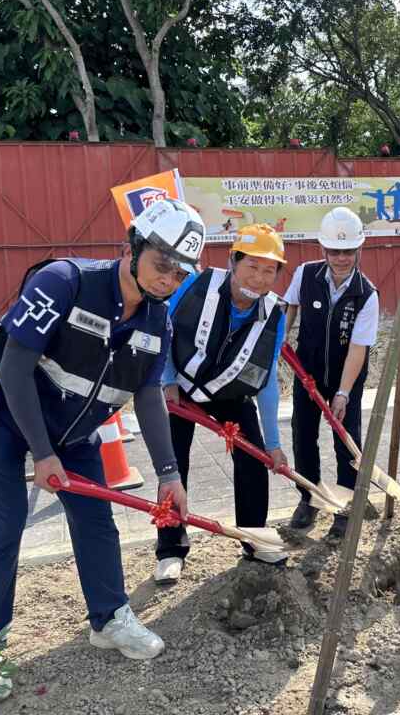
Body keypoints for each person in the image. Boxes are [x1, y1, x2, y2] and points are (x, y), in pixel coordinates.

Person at [0, 199, 204, 691]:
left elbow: (149, 394)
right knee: (2, 527)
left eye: (179, 276)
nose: (167, 281)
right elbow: (13, 368)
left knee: (95, 522)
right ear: (132, 248)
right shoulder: (64, 282)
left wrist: (169, 472)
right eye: (162, 265)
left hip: (73, 425)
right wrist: (41, 453)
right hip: (0, 408)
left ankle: (110, 619)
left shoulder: (158, 322)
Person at [156, 223, 289, 583]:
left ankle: (254, 537)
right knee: (171, 464)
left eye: (269, 270)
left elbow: (265, 382)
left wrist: (274, 445)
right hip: (179, 385)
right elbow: (162, 330)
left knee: (253, 457)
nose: (260, 278)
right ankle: (170, 549)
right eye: (252, 266)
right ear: (233, 261)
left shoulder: (275, 315)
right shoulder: (196, 285)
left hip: (230, 393)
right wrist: (167, 379)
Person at [284, 208, 379, 539]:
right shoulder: (306, 274)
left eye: (348, 251)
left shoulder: (367, 294)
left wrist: (343, 393)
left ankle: (345, 504)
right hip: (307, 372)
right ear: (323, 249)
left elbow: (358, 348)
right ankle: (309, 499)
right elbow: (289, 308)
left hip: (346, 377)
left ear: (358, 250)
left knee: (346, 439)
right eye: (335, 251)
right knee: (303, 435)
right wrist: (281, 337)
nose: (341, 258)